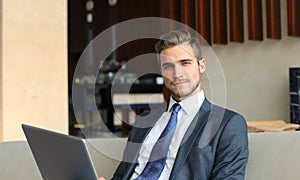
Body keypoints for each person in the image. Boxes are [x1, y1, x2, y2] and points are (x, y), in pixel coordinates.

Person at [102, 30, 248, 180]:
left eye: (185, 63)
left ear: (201, 66)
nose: (177, 74)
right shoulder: (145, 120)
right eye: (168, 66)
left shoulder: (228, 124)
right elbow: (121, 174)